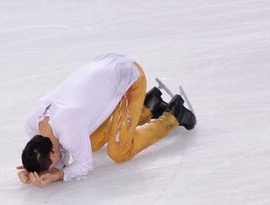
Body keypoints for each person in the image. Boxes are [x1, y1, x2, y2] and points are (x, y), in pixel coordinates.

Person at [17, 53, 196, 187]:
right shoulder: (33, 124)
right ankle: (149, 106)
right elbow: (62, 152)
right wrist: (35, 167)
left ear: (53, 155)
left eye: (50, 166)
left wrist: (55, 176)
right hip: (105, 66)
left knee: (119, 152)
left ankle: (173, 116)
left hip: (129, 77)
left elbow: (84, 166)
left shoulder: (69, 128)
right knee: (91, 144)